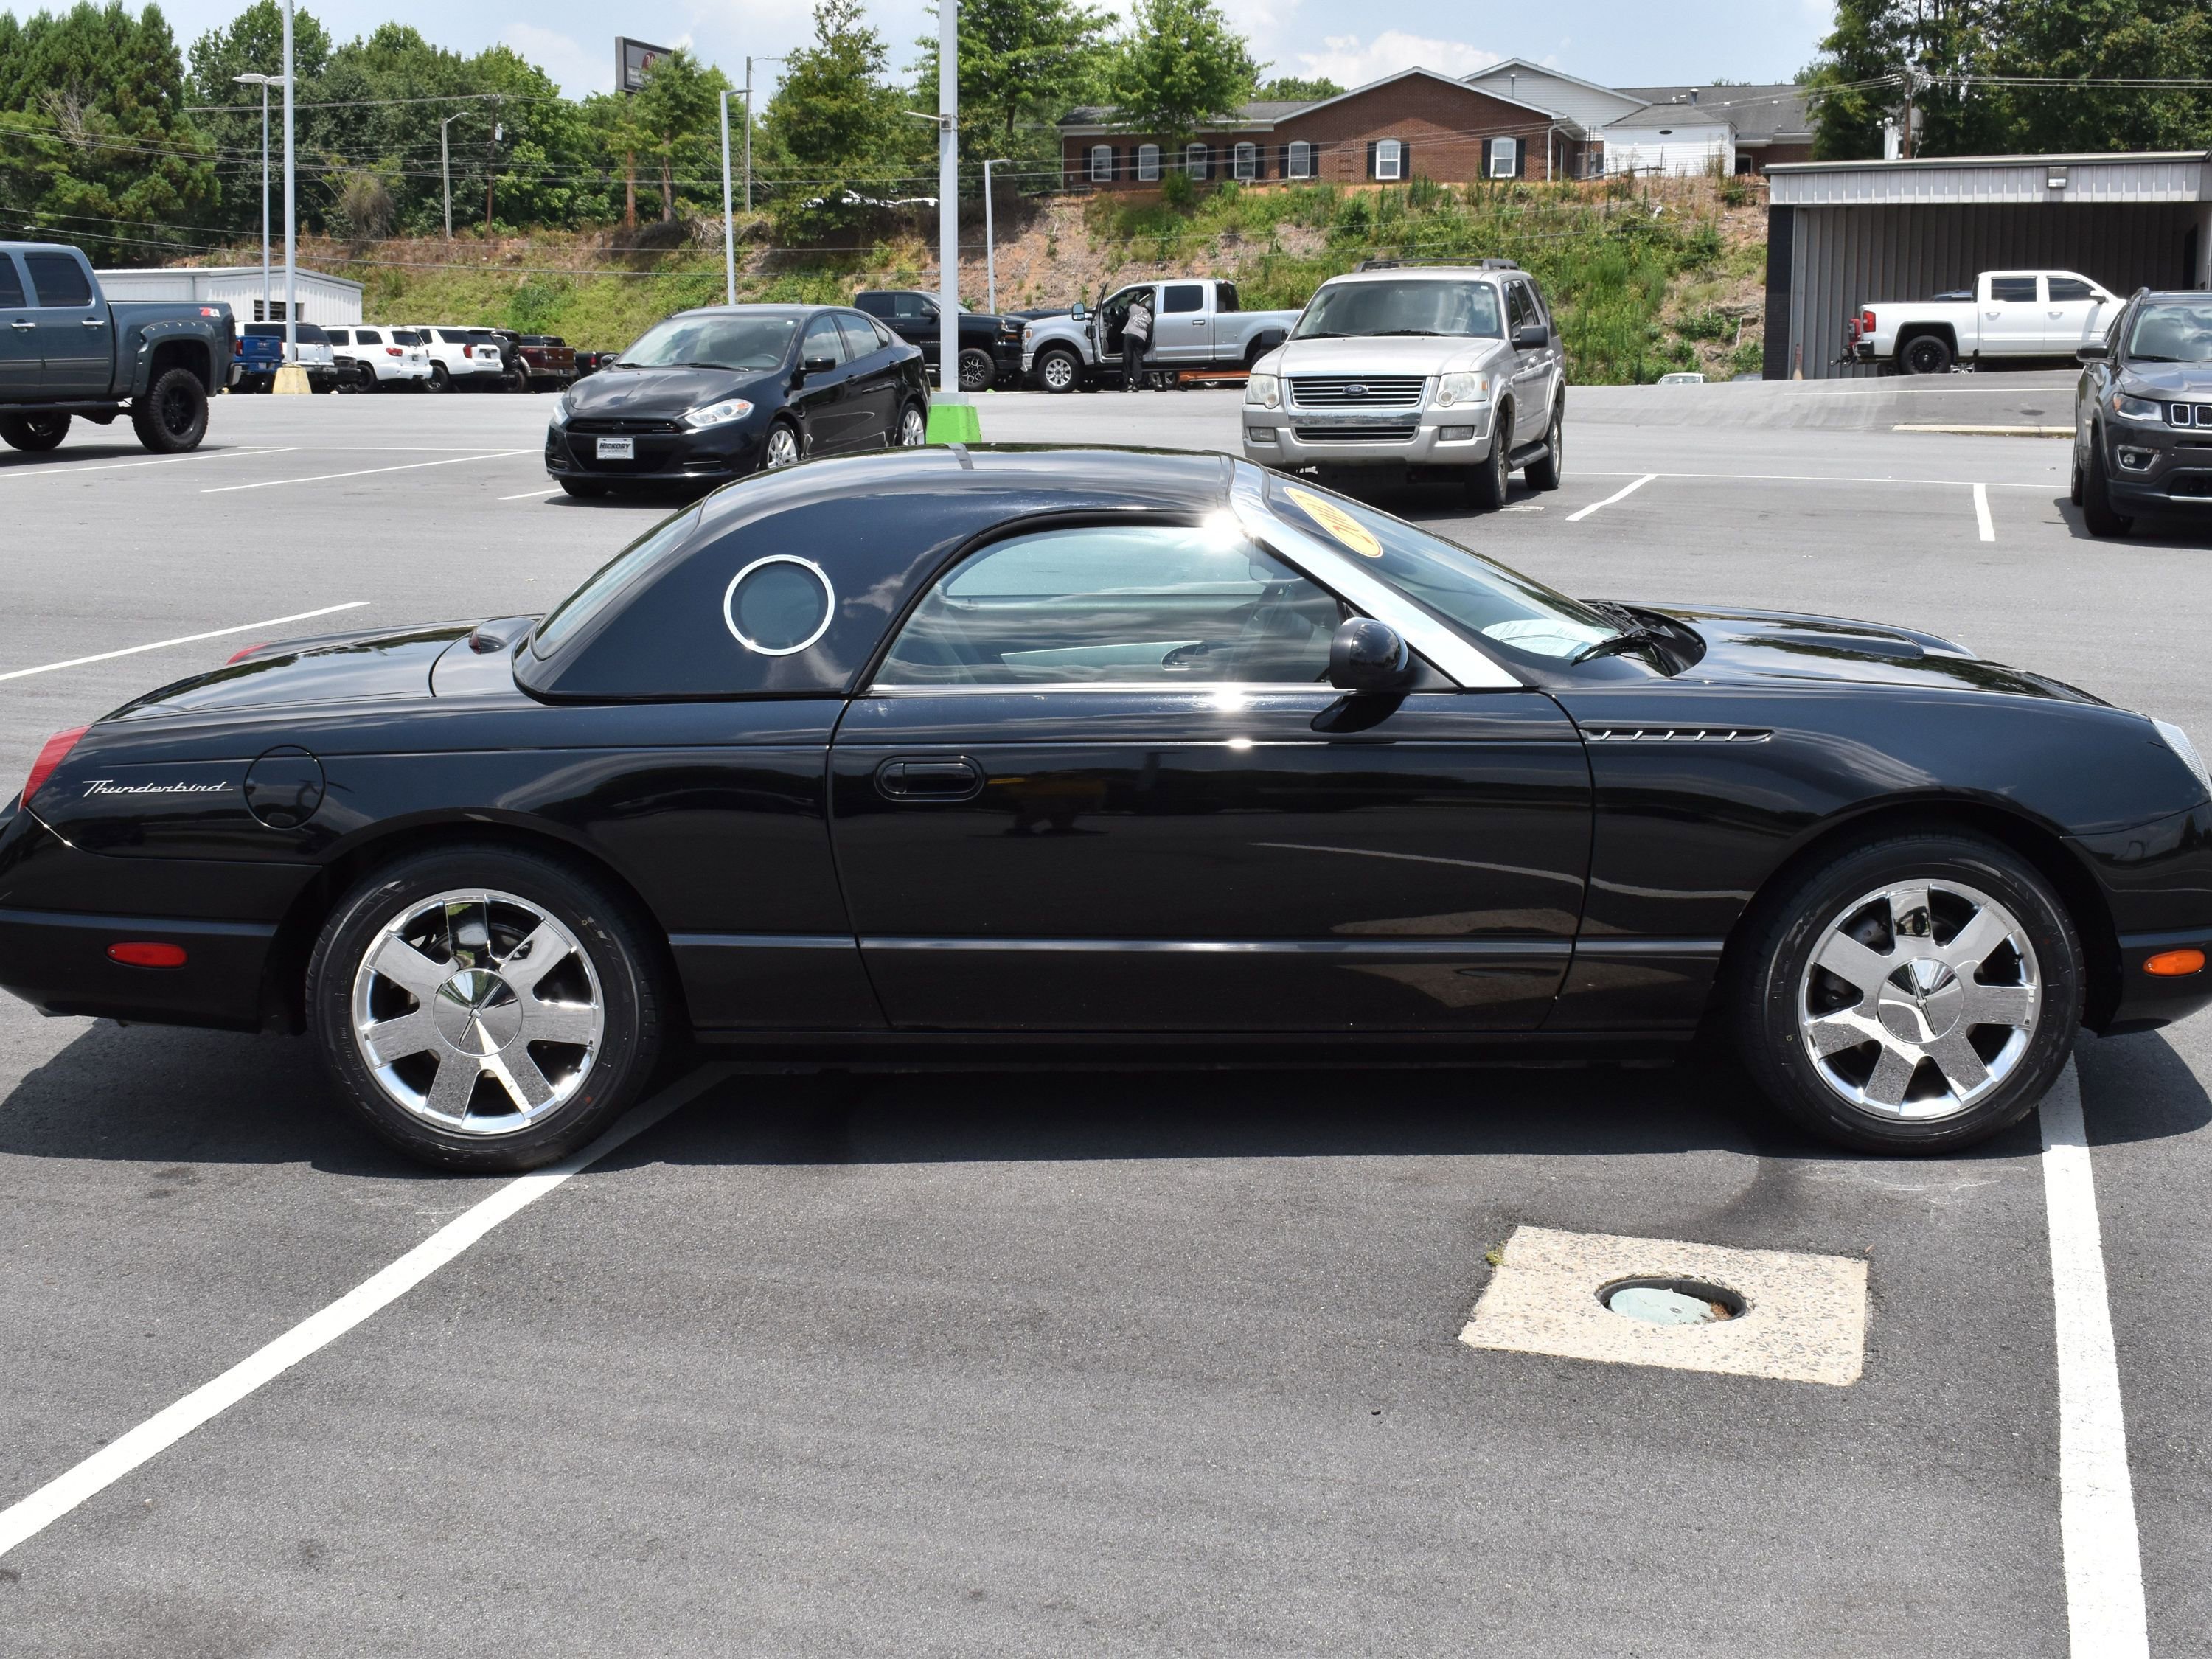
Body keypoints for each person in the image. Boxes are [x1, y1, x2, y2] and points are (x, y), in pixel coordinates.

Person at [1121, 291, 1153, 392]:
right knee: (1137, 360)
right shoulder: (1149, 318)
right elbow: (1149, 330)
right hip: (1141, 338)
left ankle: (1126, 383)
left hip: (1130, 335)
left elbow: (1128, 303)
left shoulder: (1135, 308)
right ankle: (1136, 384)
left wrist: (1135, 298)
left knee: (1127, 359)